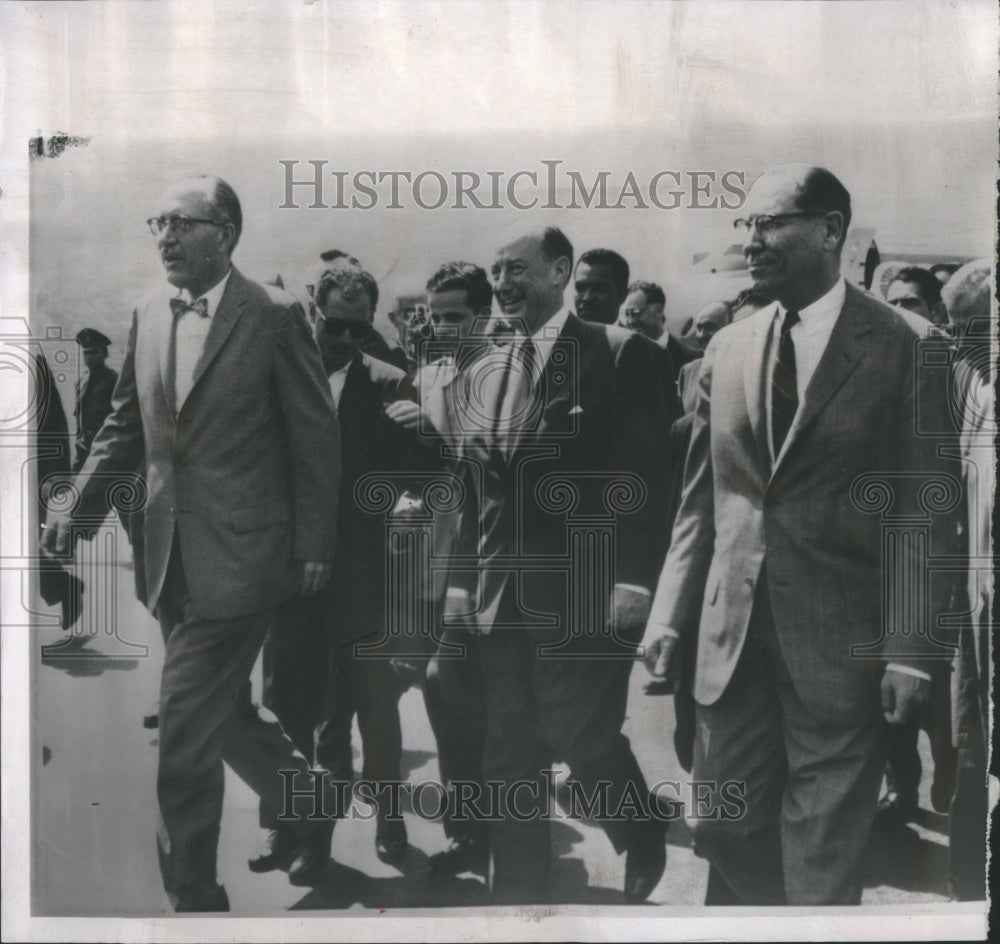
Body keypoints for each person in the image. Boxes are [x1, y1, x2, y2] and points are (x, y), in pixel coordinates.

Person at [642, 164, 958, 905]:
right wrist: (669, 610)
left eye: (770, 224)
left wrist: (910, 652)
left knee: (821, 854)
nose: (752, 242)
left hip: (843, 647)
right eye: (746, 227)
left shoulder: (907, 346)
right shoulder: (729, 348)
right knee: (722, 824)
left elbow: (924, 508)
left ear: (830, 232)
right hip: (733, 640)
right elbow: (701, 503)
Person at [42, 175, 341, 911]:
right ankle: (309, 801)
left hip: (245, 560)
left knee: (181, 724)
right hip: (166, 554)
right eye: (159, 222)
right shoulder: (147, 312)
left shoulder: (271, 316)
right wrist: (74, 508)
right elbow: (124, 428)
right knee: (220, 713)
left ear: (226, 233)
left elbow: (314, 438)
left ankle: (193, 897)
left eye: (183, 224)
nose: (165, 238)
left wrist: (313, 546)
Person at [448, 225, 673, 903]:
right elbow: (473, 488)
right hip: (499, 594)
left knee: (580, 734)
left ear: (560, 272)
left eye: (516, 268)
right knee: (507, 748)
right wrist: (460, 580)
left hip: (585, 590)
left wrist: (635, 580)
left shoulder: (620, 354)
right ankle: (519, 901)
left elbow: (649, 478)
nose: (502, 282)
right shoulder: (485, 364)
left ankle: (640, 827)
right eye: (494, 270)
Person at [255, 261, 429, 871]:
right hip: (291, 580)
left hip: (363, 583)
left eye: (362, 330)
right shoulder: (277, 376)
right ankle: (295, 831)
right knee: (290, 707)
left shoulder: (390, 384)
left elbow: (426, 480)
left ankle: (388, 815)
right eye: (337, 327)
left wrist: (425, 432)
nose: (350, 342)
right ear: (311, 310)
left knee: (371, 707)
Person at [386, 261, 495, 876]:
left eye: (457, 315)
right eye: (438, 316)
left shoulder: (508, 374)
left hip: (484, 561)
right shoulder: (423, 376)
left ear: (483, 315)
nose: (446, 327)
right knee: (441, 696)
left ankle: (495, 822)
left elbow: (486, 469)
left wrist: (431, 436)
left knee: (474, 695)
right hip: (430, 559)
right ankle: (466, 828)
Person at [941, 259, 991, 900]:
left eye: (974, 328)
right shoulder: (968, 381)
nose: (960, 344)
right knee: (968, 741)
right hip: (973, 606)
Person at [72, 328, 118, 472]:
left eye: (93, 352)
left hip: (104, 446)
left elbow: (119, 416)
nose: (88, 357)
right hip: (83, 447)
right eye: (86, 353)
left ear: (104, 354)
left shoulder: (114, 380)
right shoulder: (82, 382)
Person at [676, 301, 733, 414]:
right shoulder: (688, 372)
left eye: (710, 327)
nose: (701, 335)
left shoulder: (741, 370)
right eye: (699, 328)